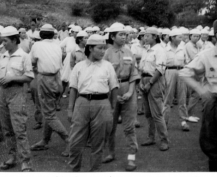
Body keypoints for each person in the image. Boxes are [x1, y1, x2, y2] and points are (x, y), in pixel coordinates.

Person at [67, 34, 119, 172]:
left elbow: (114, 87)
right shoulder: (79, 66)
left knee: (98, 143)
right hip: (82, 103)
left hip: (102, 103)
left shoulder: (108, 66)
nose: (103, 51)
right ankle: (74, 171)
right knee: (75, 142)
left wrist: (112, 108)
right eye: (100, 48)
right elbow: (73, 88)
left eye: (104, 48)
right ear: (90, 48)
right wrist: (70, 109)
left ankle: (94, 172)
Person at [179, 20, 217, 171]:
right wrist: (201, 91)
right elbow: (185, 73)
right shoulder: (206, 55)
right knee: (211, 143)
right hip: (214, 101)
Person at [102, 23, 140, 171]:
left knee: (129, 127)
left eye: (125, 34)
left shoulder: (129, 52)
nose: (124, 37)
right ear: (112, 36)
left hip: (128, 89)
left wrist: (130, 92)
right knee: (109, 126)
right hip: (111, 91)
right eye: (121, 35)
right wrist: (113, 96)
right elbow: (103, 76)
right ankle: (110, 152)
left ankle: (131, 157)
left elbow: (134, 74)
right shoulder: (106, 53)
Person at [0, 26, 34, 172]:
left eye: (5, 41)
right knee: (6, 129)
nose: (3, 44)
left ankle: (26, 161)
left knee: (19, 129)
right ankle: (12, 157)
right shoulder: (3, 55)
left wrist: (13, 78)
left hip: (17, 93)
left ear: (14, 40)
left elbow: (29, 76)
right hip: (2, 93)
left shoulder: (24, 56)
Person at [30, 24, 69, 157]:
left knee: (49, 114)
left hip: (45, 79)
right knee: (49, 111)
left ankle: (69, 140)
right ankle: (45, 140)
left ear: (41, 35)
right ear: (53, 34)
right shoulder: (57, 44)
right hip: (57, 78)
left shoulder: (37, 46)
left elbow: (32, 61)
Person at [139, 27, 169, 151]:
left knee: (157, 113)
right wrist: (141, 82)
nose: (144, 38)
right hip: (145, 80)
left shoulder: (159, 50)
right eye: (144, 36)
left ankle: (164, 140)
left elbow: (160, 69)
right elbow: (142, 68)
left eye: (147, 36)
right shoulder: (147, 50)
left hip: (154, 81)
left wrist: (150, 83)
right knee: (148, 113)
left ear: (155, 37)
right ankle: (151, 137)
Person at [162, 29, 193, 132]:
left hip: (181, 71)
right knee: (168, 97)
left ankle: (183, 121)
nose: (181, 39)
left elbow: (187, 61)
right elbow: (161, 64)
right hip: (169, 72)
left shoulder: (183, 48)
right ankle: (164, 121)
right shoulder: (164, 49)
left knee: (182, 96)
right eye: (179, 37)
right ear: (172, 38)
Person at [184, 29, 202, 122]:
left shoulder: (197, 45)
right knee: (194, 93)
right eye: (194, 36)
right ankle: (187, 114)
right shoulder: (189, 45)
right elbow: (195, 58)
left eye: (198, 36)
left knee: (195, 94)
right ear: (190, 36)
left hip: (195, 70)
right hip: (191, 70)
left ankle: (189, 113)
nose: (196, 38)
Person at [59, 26, 79, 102]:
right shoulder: (68, 39)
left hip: (77, 58)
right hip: (68, 58)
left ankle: (73, 96)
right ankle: (62, 93)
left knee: (75, 77)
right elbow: (60, 46)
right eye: (75, 32)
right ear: (72, 33)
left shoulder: (79, 40)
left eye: (77, 32)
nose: (76, 34)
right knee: (65, 77)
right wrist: (64, 53)